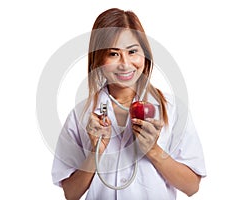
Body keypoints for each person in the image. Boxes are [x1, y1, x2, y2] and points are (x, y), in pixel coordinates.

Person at [52, 8, 206, 200]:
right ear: (98, 59)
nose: (125, 64)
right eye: (113, 54)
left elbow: (192, 186)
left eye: (132, 51)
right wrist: (95, 154)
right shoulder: (80, 115)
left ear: (145, 54)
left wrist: (153, 151)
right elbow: (71, 193)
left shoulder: (172, 108)